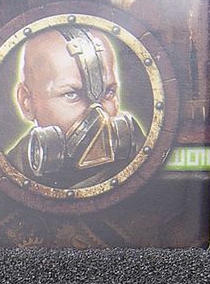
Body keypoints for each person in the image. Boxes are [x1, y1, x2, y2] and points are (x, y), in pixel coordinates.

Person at [12, 23, 146, 189]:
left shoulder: (141, 159)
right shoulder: (11, 171)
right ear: (26, 101)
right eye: (71, 94)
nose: (99, 115)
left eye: (108, 93)